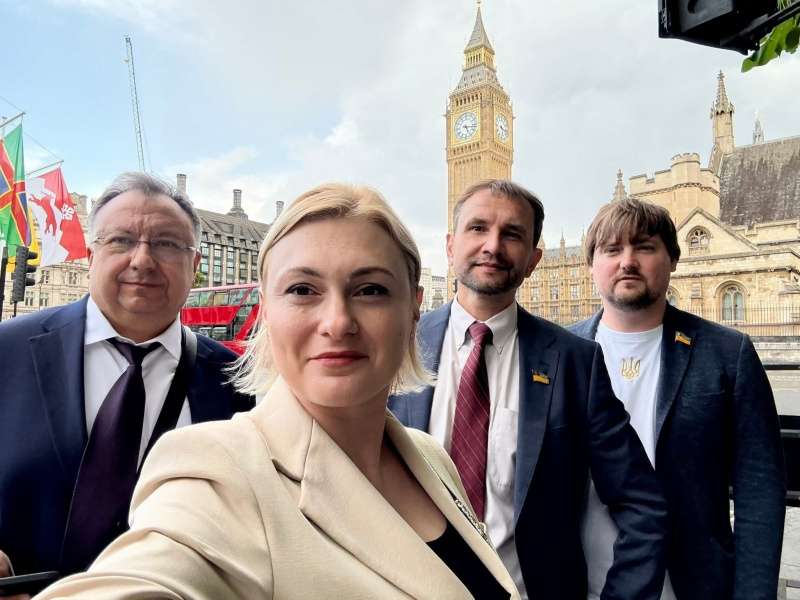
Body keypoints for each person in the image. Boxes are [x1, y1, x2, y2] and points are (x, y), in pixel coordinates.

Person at [37, 183, 520, 599]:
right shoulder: (219, 471)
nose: (337, 322)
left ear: (414, 307)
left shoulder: (429, 457)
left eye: (370, 289)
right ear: (266, 310)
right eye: (303, 290)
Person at [389, 179, 668, 600]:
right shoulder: (396, 345)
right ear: (450, 245)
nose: (492, 246)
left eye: (512, 234)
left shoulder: (575, 362)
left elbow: (642, 504)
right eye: (478, 228)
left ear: (534, 259)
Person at [0, 172, 253, 583]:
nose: (142, 260)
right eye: (121, 240)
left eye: (166, 244)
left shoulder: (237, 382)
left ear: (195, 265)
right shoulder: (7, 351)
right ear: (91, 255)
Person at [570, 197, 786, 600]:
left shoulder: (727, 353)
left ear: (673, 258)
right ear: (591, 264)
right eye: (612, 250)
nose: (627, 261)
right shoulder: (560, 352)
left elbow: (760, 490)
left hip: (689, 584)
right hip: (578, 583)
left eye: (644, 247)